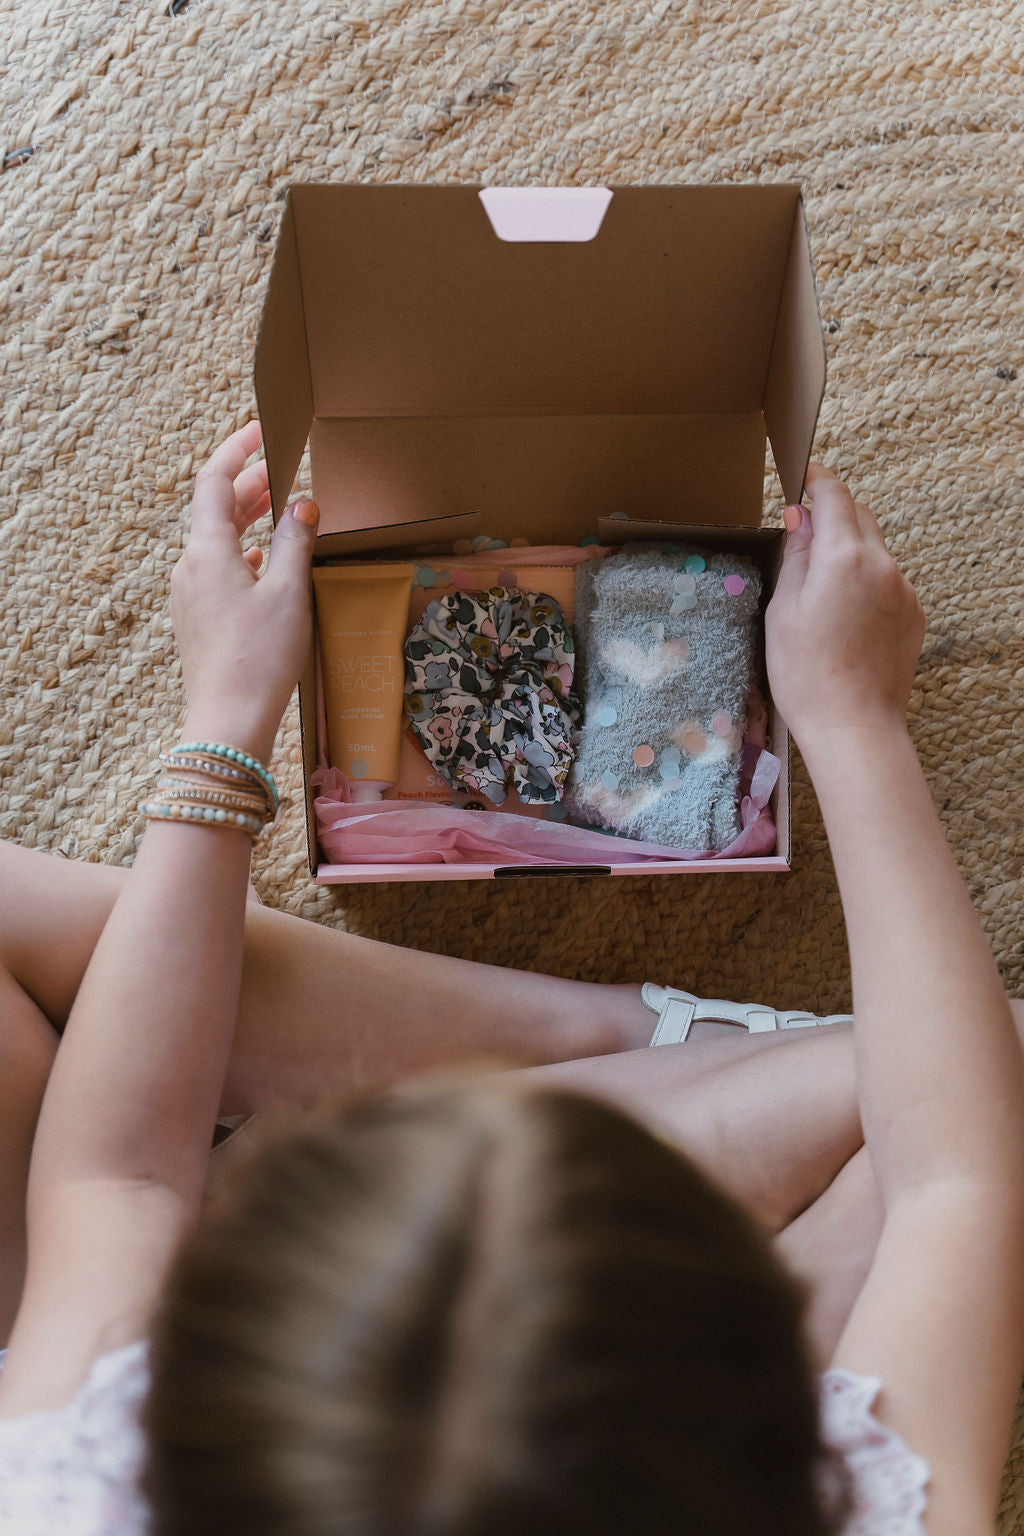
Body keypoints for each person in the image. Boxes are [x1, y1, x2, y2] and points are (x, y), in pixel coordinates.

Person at [0, 421, 1020, 1536]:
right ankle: (632, 1052)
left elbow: (117, 1182)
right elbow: (962, 1174)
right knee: (985, 1061)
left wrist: (224, 720)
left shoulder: (70, 1485)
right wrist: (853, 718)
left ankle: (602, 1038)